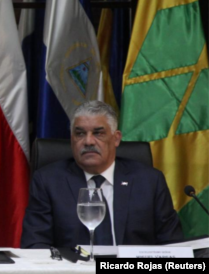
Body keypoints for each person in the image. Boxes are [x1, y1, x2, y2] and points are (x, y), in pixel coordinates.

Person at [21, 101, 183, 248]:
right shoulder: (48, 181)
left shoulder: (149, 181)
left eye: (98, 133)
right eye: (80, 133)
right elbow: (35, 244)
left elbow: (172, 243)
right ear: (71, 140)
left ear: (116, 139)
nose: (88, 141)